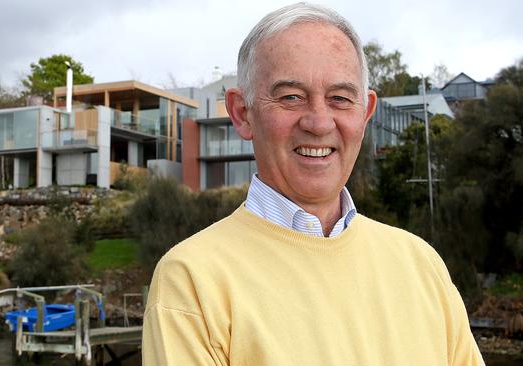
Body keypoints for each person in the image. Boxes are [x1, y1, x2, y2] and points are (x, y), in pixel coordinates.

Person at [142, 3, 485, 365]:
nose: (319, 123)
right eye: (291, 96)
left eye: (339, 98)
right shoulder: (191, 282)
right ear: (243, 114)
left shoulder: (422, 265)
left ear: (365, 113)